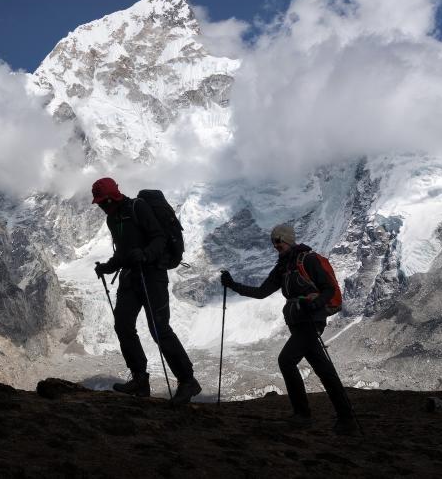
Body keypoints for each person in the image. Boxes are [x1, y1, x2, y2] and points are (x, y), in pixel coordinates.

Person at [220, 224, 359, 435]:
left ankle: (303, 415)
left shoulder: (308, 260)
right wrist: (232, 285)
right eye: (274, 242)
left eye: (279, 241)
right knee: (323, 369)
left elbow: (328, 288)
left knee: (286, 360)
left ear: (288, 239)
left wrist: (316, 303)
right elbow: (261, 292)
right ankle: (345, 419)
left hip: (311, 320)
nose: (276, 245)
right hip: (298, 322)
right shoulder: (283, 267)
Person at [91, 177, 201, 405]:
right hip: (131, 277)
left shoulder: (137, 208)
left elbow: (159, 238)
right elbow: (122, 253)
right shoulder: (113, 219)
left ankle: (187, 381)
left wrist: (146, 254)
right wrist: (108, 267)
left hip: (152, 275)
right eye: (100, 203)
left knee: (159, 328)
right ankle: (140, 379)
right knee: (122, 324)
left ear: (112, 197)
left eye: (103, 202)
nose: (101, 207)